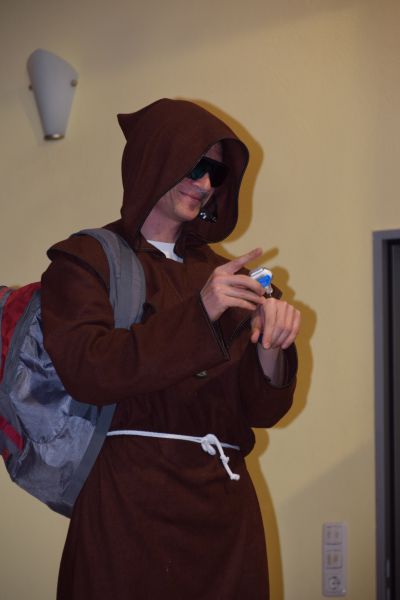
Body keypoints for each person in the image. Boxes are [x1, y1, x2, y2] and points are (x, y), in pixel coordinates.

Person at [41, 98, 300, 600]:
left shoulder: (229, 277)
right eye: (195, 165)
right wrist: (200, 313)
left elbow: (261, 412)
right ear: (154, 158)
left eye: (217, 174)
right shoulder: (87, 259)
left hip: (224, 510)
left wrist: (272, 347)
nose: (204, 183)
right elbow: (88, 370)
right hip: (128, 502)